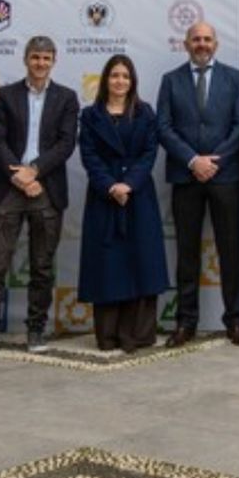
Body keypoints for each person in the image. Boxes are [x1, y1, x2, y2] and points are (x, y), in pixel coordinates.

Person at [0, 36, 79, 359]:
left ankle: (36, 328)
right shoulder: (5, 95)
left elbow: (66, 143)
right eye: (35, 57)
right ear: (25, 59)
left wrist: (35, 171)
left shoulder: (67, 98)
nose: (40, 63)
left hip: (46, 189)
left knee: (42, 265)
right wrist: (18, 175)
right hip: (7, 188)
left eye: (46, 58)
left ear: (54, 60)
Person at [156, 22, 239, 347]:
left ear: (216, 43)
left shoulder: (234, 78)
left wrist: (214, 160)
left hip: (224, 176)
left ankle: (235, 320)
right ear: (185, 44)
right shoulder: (171, 80)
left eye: (207, 39)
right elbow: (164, 128)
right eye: (196, 39)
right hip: (186, 176)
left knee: (230, 250)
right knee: (186, 252)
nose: (201, 44)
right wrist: (193, 160)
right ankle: (185, 322)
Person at [77, 55, 168, 353]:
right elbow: (89, 156)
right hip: (105, 198)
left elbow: (149, 152)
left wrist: (129, 184)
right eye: (114, 75)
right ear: (105, 79)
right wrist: (111, 186)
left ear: (133, 81)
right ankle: (109, 335)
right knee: (108, 265)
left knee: (140, 262)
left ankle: (137, 335)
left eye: (125, 76)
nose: (120, 81)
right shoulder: (90, 116)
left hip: (138, 195)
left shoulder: (145, 113)